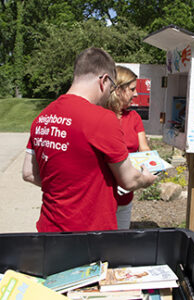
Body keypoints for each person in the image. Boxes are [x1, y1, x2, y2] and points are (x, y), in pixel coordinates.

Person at [22, 47, 156, 232]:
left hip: (48, 230)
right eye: (111, 88)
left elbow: (28, 172)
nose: (110, 94)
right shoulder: (102, 118)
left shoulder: (42, 117)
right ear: (104, 80)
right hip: (90, 234)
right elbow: (129, 181)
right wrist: (147, 179)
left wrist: (65, 188)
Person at [105, 66, 151, 229]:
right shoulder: (100, 117)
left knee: (119, 245)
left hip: (125, 197)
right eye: (132, 89)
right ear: (118, 90)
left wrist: (153, 166)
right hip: (102, 199)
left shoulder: (134, 117)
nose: (136, 94)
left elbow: (144, 148)